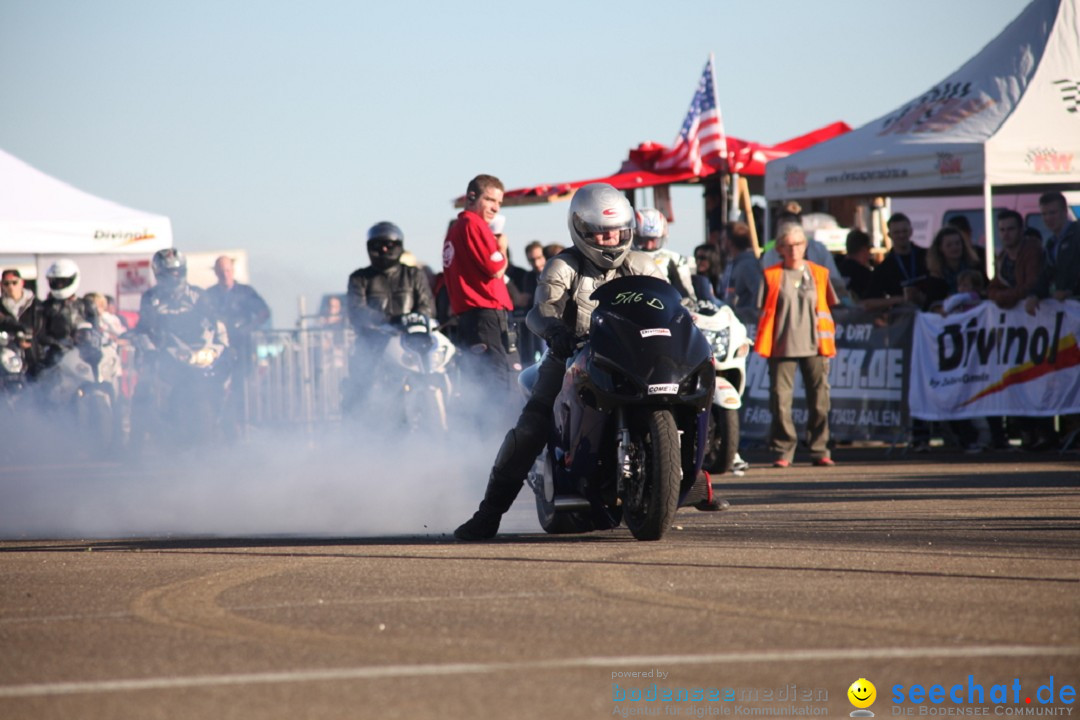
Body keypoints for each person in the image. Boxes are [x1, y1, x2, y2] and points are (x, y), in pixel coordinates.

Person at [453, 183, 669, 541]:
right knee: (531, 428)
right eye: (600, 233)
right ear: (582, 230)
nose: (610, 239)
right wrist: (556, 332)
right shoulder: (563, 265)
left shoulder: (644, 264)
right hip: (573, 355)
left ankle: (697, 477)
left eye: (616, 231)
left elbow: (671, 306)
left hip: (633, 355)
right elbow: (541, 311)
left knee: (684, 389)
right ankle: (488, 514)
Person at [755, 223, 839, 468]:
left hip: (816, 345)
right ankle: (783, 450)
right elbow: (761, 308)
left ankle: (819, 448)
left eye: (798, 244)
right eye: (788, 245)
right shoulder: (771, 274)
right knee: (780, 401)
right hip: (781, 347)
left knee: (820, 400)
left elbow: (830, 303)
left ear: (806, 246)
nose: (794, 249)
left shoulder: (819, 273)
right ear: (780, 248)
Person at [345, 221, 435, 413]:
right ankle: (356, 425)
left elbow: (427, 306)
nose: (384, 249)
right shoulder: (359, 278)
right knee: (358, 391)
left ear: (399, 246)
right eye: (378, 246)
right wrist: (388, 320)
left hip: (410, 345)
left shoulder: (413, 274)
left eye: (389, 245)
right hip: (373, 345)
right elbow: (356, 310)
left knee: (435, 377)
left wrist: (411, 320)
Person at [441, 174, 516, 392]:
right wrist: (501, 247)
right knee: (497, 381)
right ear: (472, 196)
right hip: (485, 316)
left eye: (499, 203)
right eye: (491, 200)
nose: (496, 208)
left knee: (481, 382)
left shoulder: (456, 229)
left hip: (473, 317)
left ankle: (485, 426)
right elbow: (495, 269)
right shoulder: (474, 224)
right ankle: (495, 427)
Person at [1026, 191, 1080, 314]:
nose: (1048, 218)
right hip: (1068, 312)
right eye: (1044, 214)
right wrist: (1034, 295)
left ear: (1065, 211)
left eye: (1052, 213)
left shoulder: (1077, 234)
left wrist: (1070, 291)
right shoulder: (1051, 243)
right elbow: (1045, 275)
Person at [863, 213, 929, 311]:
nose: (901, 235)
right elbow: (868, 303)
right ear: (889, 235)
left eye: (904, 231)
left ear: (911, 232)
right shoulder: (884, 267)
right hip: (901, 319)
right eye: (897, 232)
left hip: (930, 316)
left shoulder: (927, 256)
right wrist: (899, 300)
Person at [633, 208, 697, 304]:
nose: (649, 245)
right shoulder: (626, 258)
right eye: (644, 240)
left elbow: (688, 297)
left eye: (653, 240)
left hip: (666, 307)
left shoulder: (675, 259)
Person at [988, 210, 1043, 310]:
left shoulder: (1033, 252)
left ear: (1021, 230)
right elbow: (992, 288)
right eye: (1002, 230)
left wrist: (1005, 297)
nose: (1006, 234)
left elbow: (1031, 285)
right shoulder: (1002, 257)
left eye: (1011, 229)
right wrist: (1001, 296)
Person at [38, 258, 87, 367]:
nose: (59, 285)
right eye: (56, 282)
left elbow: (96, 331)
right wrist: (55, 344)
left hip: (83, 355)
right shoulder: (45, 307)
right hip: (55, 356)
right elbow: (39, 333)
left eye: (63, 282)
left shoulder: (86, 305)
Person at [925, 226, 985, 310]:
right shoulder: (935, 274)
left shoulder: (975, 267)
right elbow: (932, 303)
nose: (954, 247)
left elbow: (985, 290)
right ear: (940, 248)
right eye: (949, 245)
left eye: (957, 243)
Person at [720, 221, 764, 323]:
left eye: (723, 239)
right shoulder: (733, 264)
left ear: (730, 242)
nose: (721, 243)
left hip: (745, 324)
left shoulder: (747, 265)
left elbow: (759, 292)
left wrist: (747, 314)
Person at [0, 269, 43, 372]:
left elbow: (43, 330)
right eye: (6, 284)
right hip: (8, 359)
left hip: (35, 356)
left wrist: (31, 340)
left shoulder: (36, 305)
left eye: (15, 282)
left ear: (22, 282)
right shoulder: (1, 307)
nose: (11, 287)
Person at [837, 229, 875, 301]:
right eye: (869, 249)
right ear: (864, 250)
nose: (869, 254)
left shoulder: (836, 269)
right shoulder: (865, 275)